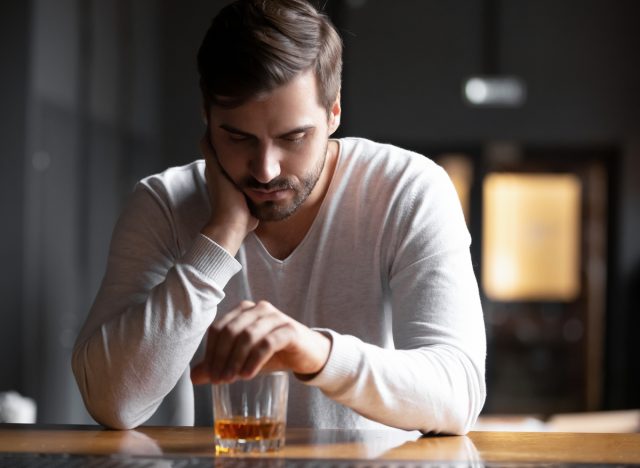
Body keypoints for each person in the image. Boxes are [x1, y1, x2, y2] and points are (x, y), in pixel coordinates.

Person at [72, 0, 486, 434]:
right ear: (206, 118)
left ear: (334, 113)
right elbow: (113, 402)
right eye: (237, 137)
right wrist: (219, 238)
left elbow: (458, 394)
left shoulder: (407, 189)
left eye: (294, 137)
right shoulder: (164, 203)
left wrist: (315, 353)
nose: (265, 169)